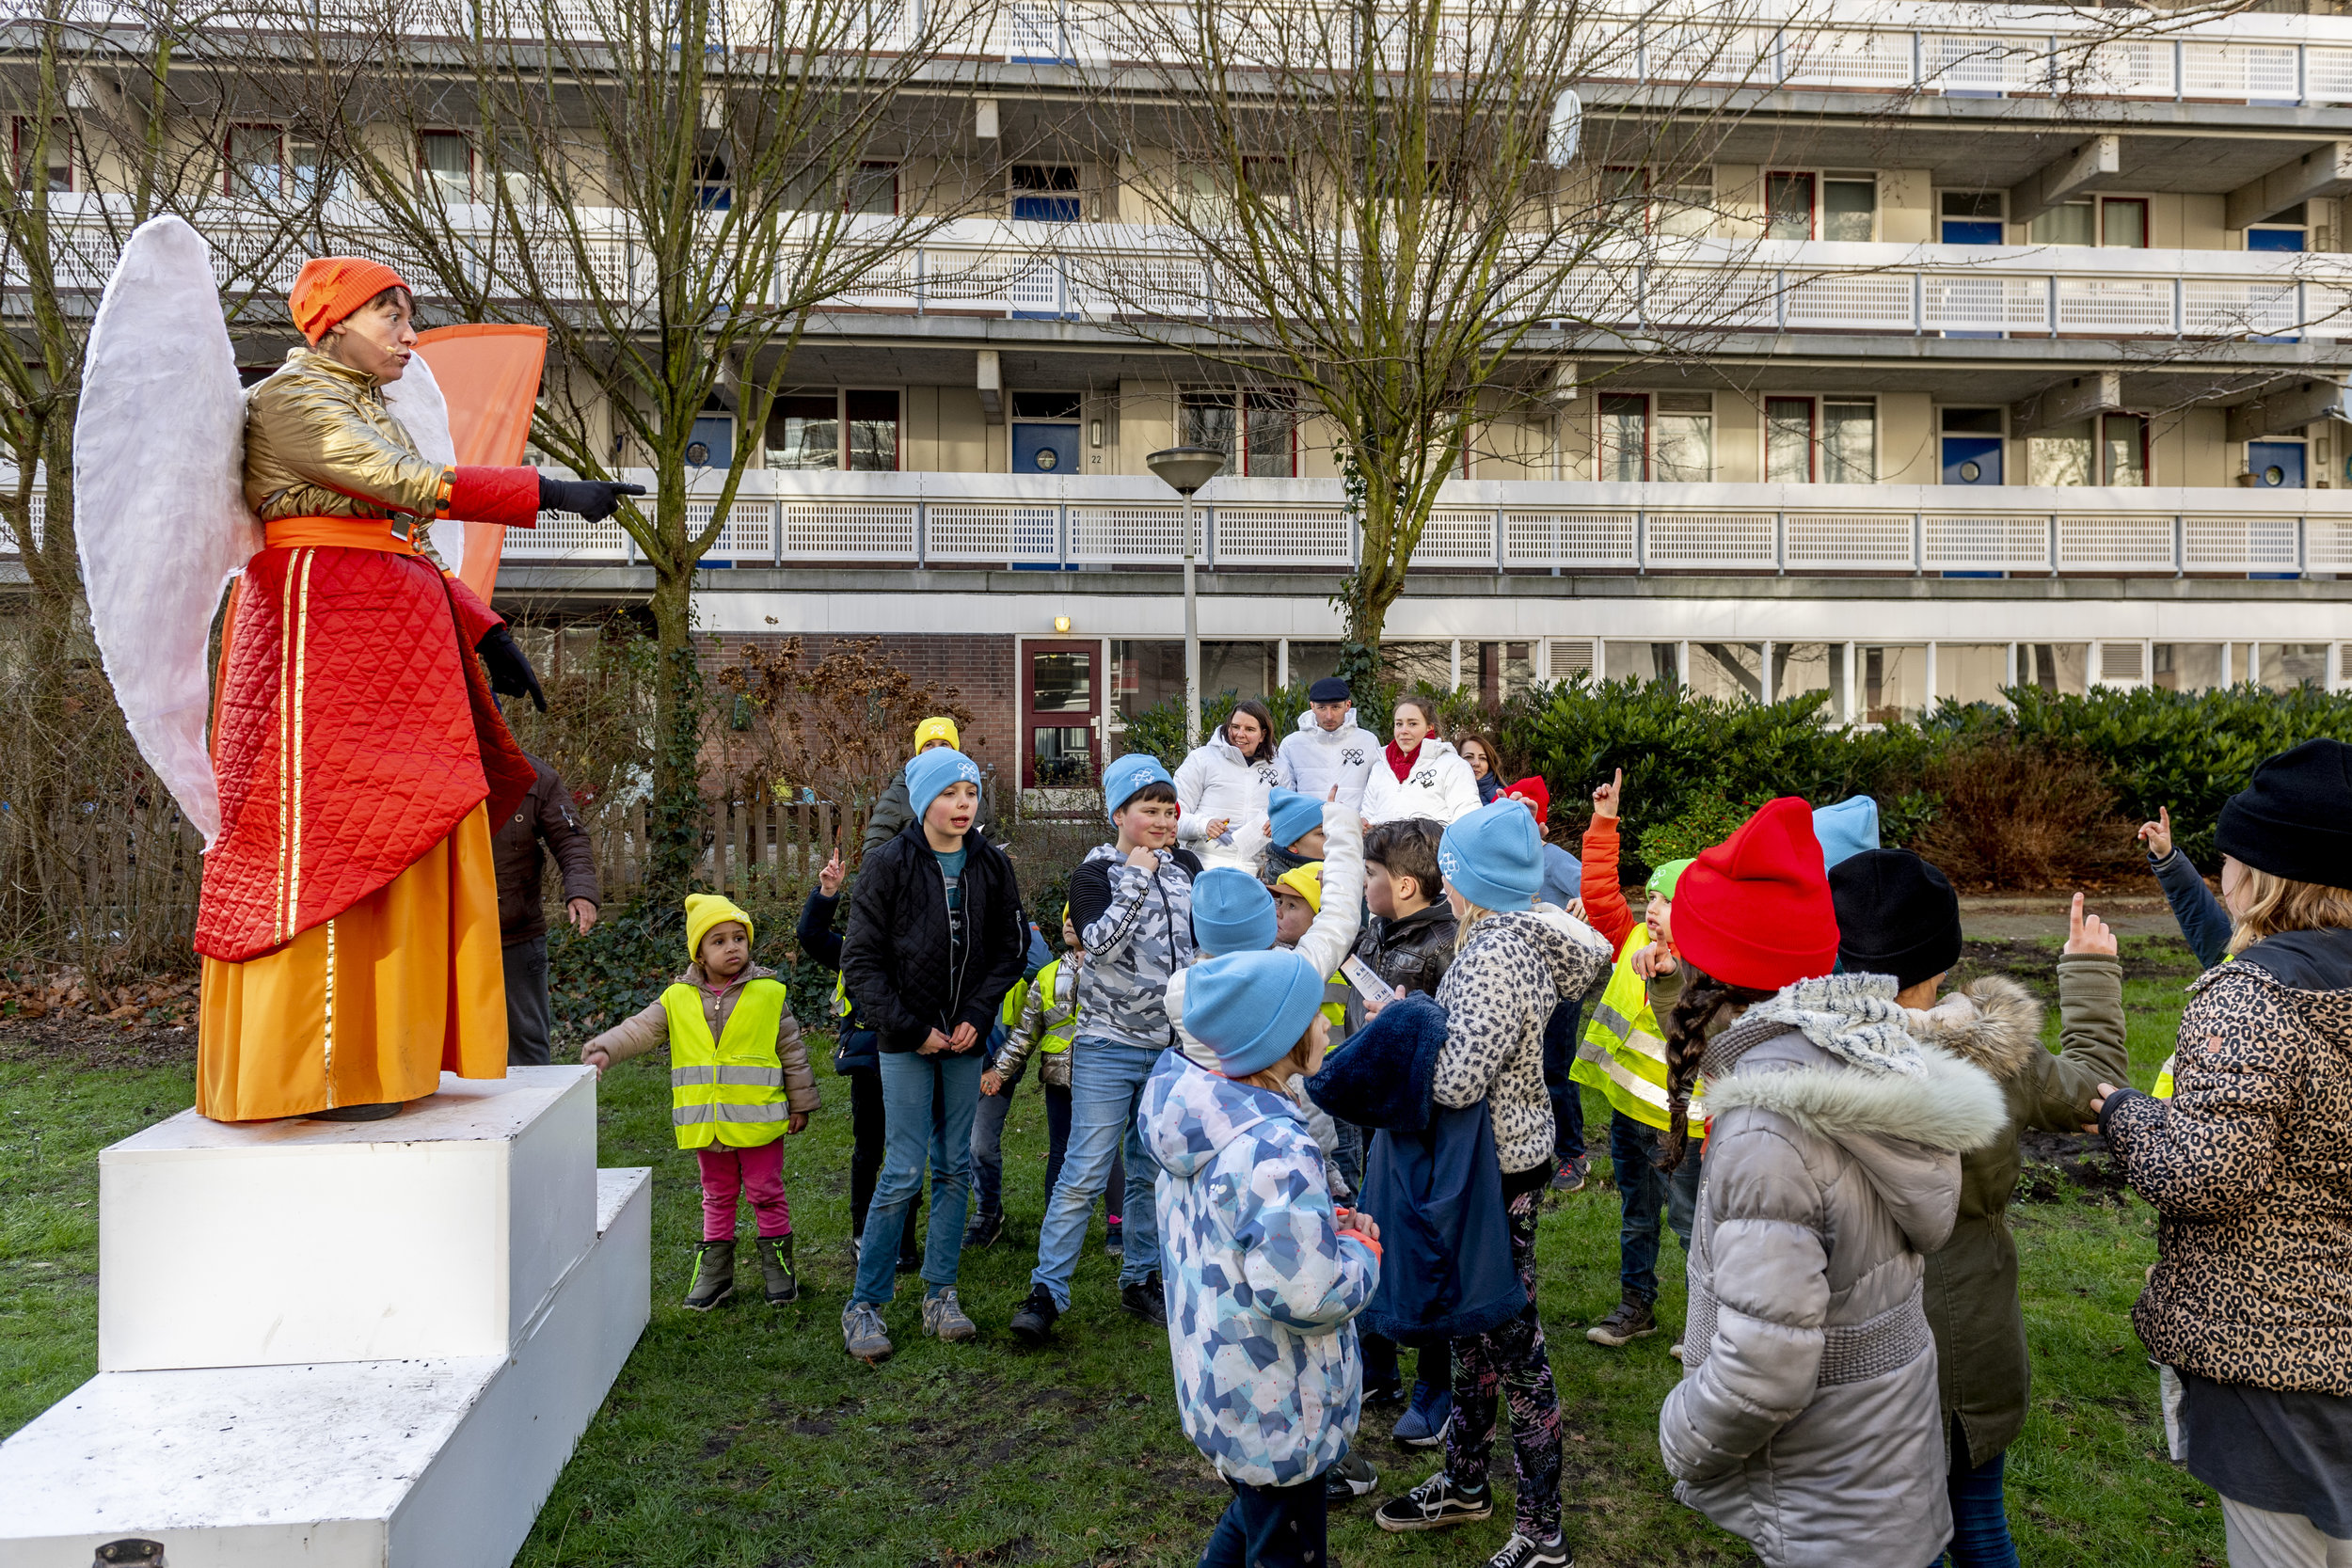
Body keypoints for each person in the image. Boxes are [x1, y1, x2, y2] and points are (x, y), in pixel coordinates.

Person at [190, 257, 637, 1122]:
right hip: (319, 640)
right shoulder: (290, 399)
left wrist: (484, 630)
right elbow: (401, 487)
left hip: (377, 639)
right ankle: (318, 1068)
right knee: (325, 855)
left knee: (402, 838)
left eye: (408, 316)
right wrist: (543, 490)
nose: (407, 335)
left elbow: (404, 544)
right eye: (389, 316)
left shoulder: (365, 400)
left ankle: (387, 1052)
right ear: (333, 323)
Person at [1655, 798, 2007, 1568]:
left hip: (1820, 1487)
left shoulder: (1763, 1132)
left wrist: (1681, 1430)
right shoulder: (1856, 1055)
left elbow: (1765, 1368)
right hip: (1876, 1465)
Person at [2094, 740, 2352, 1568]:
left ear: (2269, 871)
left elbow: (2204, 1174)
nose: (2223, 870)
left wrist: (2124, 1113)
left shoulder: (2252, 998)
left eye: (2232, 853)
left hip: (2274, 1356)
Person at [1832, 854, 2128, 1568]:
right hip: (1971, 1345)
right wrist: (2088, 972)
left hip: (1858, 1352)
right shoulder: (1996, 1056)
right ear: (1944, 956)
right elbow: (2100, 1096)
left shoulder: (1807, 1056)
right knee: (1979, 1522)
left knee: (1895, 1541)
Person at [1372, 800, 1609, 1568]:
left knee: (1515, 1345)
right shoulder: (1500, 938)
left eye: (1451, 871)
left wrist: (1403, 1028)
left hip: (1495, 1167)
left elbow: (1457, 1078)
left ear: (1467, 879)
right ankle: (1466, 1481)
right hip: (1505, 1157)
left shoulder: (1494, 954)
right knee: (1477, 1330)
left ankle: (1543, 1531)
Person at [1141, 948, 1382, 1568]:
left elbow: (1239, 1231)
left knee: (1257, 1512)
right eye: (1316, 1015)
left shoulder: (1201, 1114)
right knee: (1285, 1542)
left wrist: (1322, 1224)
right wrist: (1360, 1250)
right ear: (1278, 1040)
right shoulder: (1276, 1146)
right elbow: (1307, 1292)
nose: (1329, 1023)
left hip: (1227, 1380)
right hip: (1281, 1403)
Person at [840, 747, 1026, 1363]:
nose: (962, 804)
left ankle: (940, 1293)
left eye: (970, 792)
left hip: (965, 1040)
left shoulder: (991, 867)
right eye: (949, 793)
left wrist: (977, 1016)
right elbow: (860, 961)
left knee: (952, 1168)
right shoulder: (887, 865)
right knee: (901, 1169)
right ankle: (865, 1303)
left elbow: (1009, 946)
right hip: (906, 1042)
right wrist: (911, 1027)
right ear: (923, 802)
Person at [1010, 752, 1201, 1344]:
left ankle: (1140, 1279)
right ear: (1119, 813)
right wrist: (1138, 877)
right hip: (1108, 1045)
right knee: (1085, 1169)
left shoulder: (1188, 866)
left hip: (1172, 1048)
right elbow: (1100, 944)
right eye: (1150, 810)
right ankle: (1046, 1292)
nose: (1165, 821)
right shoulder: (1094, 874)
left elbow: (1199, 945)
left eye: (1170, 810)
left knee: (1150, 1168)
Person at [581, 894, 818, 1310]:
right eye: (719, 941)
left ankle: (778, 1267)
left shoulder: (769, 993)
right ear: (699, 953)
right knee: (717, 1193)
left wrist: (800, 1104)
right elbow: (639, 1030)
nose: (732, 948)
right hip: (706, 1123)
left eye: (739, 939)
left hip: (759, 1119)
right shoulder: (676, 999)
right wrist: (605, 1047)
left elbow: (792, 1051)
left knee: (765, 1190)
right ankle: (715, 1272)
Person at [1573, 767, 1704, 1350]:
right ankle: (1636, 1306)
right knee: (1637, 1215)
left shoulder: (1706, 968)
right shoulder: (1629, 937)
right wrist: (1604, 822)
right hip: (1630, 1112)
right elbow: (1600, 891)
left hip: (1685, 1124)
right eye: (1650, 895)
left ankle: (1706, 1317)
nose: (1652, 908)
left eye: (1667, 900)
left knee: (1689, 1224)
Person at [1353, 816, 1461, 1452]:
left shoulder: (1446, 944)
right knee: (1372, 1230)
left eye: (1371, 875)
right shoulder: (1379, 926)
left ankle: (1437, 1384)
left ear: (1407, 885)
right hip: (1378, 1110)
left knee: (1426, 1249)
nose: (1364, 885)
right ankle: (1377, 1362)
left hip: (1423, 1122)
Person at [796, 846, 919, 1272]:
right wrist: (826, 893)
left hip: (914, 1059)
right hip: (869, 1065)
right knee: (869, 1149)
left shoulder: (919, 949)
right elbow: (811, 936)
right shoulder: (854, 949)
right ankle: (863, 1233)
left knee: (909, 1151)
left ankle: (904, 1239)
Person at [974, 912, 1121, 1247]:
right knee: (1060, 1151)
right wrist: (999, 1070)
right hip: (1059, 1078)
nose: (1069, 923)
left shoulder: (1113, 967)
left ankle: (1118, 1225)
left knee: (1107, 1150)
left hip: (1101, 1076)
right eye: (1066, 918)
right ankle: (1054, 1223)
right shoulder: (1047, 974)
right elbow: (1025, 1035)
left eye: (1078, 917)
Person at [1500, 775, 1589, 1193]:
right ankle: (1532, 1143)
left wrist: (1587, 902)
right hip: (1518, 984)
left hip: (1559, 985)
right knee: (1524, 1067)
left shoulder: (1553, 859)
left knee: (1556, 1067)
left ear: (1544, 827)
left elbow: (1594, 889)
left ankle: (1572, 1154)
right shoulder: (1502, 862)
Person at [493, 752, 601, 1067]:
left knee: (526, 1045)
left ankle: (532, 1110)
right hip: (445, 935)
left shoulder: (536, 777)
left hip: (515, 933)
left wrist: (581, 893)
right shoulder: (430, 768)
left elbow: (571, 840)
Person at [1175, 698, 1282, 873]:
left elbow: (1288, 817)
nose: (1240, 734)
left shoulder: (1280, 767)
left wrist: (1278, 824)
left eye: (1249, 729)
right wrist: (1204, 825)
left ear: (1262, 735)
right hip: (1203, 869)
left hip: (1256, 873)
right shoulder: (1201, 759)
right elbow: (1173, 818)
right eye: (1235, 727)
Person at [862, 715, 992, 854]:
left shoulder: (972, 797)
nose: (937, 750)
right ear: (919, 752)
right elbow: (873, 854)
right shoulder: (897, 796)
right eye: (929, 745)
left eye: (944, 744)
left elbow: (990, 844)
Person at [1361, 696, 1484, 827]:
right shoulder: (1380, 768)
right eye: (1399, 724)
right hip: (1382, 847)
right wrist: (1365, 827)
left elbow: (1467, 821)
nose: (1403, 731)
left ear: (1429, 727)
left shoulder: (1453, 765)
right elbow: (1368, 815)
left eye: (1412, 724)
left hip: (1433, 847)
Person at [1277, 676, 1378, 812]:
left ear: (1347, 705)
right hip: (1308, 829)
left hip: (1354, 828)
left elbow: (1376, 790)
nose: (1329, 716)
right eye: (1322, 708)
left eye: (1335, 707)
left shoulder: (1368, 741)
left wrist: (1365, 821)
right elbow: (1284, 795)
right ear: (1312, 706)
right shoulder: (1291, 744)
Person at [1263, 787, 1329, 886]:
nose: (1332, 840)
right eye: (1322, 833)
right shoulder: (1268, 892)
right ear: (1292, 845)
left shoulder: (1341, 876)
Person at [1460, 733, 1505, 806]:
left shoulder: (1506, 795)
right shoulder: (1444, 795)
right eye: (1469, 757)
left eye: (1482, 758)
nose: (1476, 763)